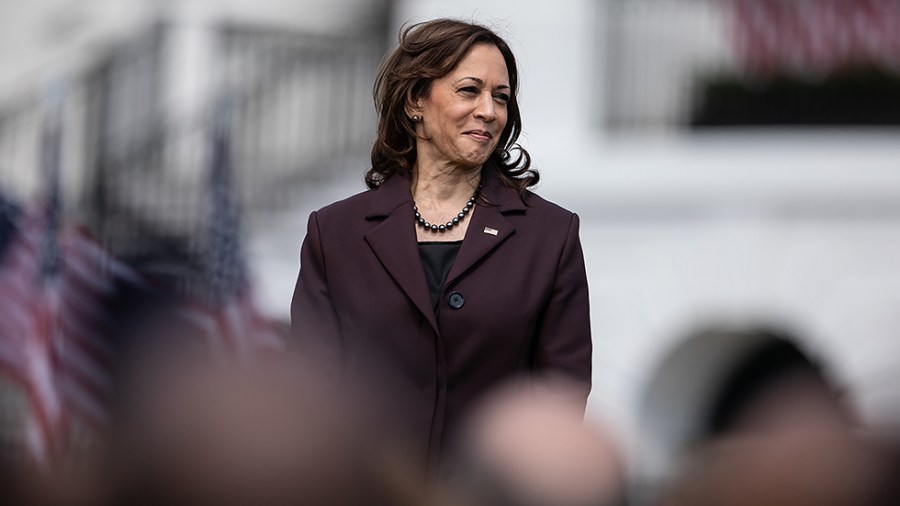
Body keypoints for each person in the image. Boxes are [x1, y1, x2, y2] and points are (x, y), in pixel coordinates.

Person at [290, 18, 592, 475]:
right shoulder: (335, 233)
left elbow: (560, 400)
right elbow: (310, 390)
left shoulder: (550, 235)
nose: (489, 111)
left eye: (501, 97)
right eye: (469, 90)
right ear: (415, 100)